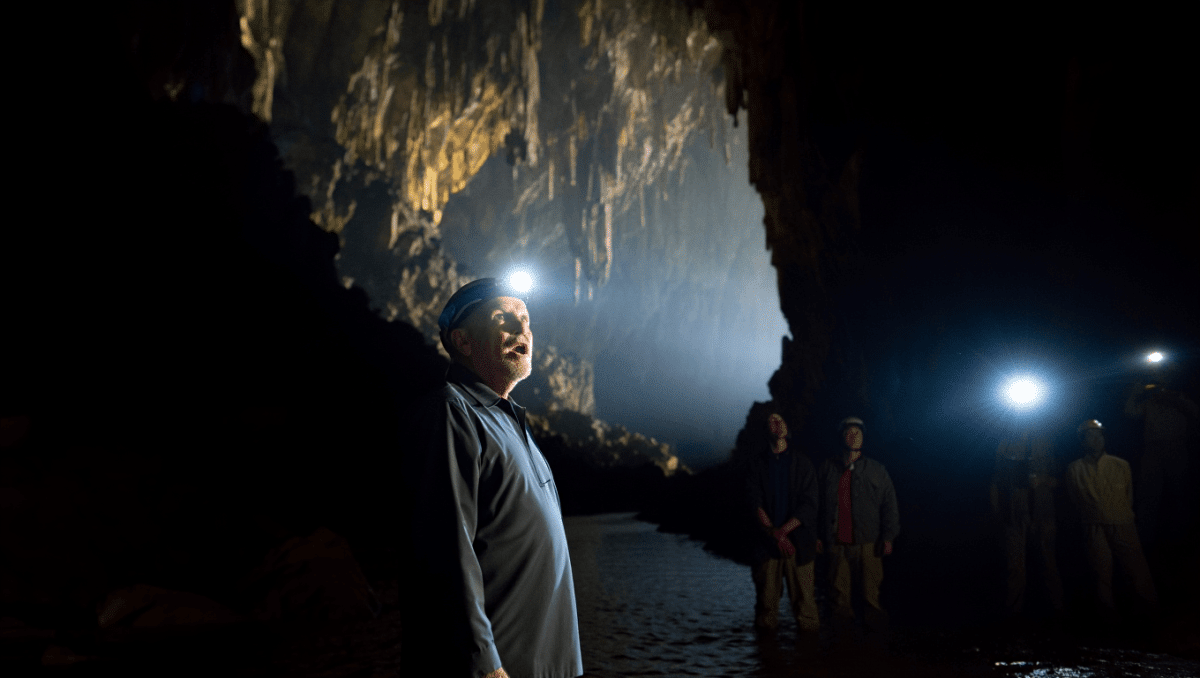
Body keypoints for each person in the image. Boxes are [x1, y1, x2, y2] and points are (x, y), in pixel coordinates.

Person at [401, 278, 583, 678]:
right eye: (504, 319)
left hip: (551, 665)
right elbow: (446, 546)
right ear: (462, 340)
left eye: (526, 320)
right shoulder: (452, 413)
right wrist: (482, 660)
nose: (523, 332)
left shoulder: (514, 423)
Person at [1065, 419, 1157, 625]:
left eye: (1098, 435)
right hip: (1093, 524)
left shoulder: (1120, 464)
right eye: (1090, 436)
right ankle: (1107, 620)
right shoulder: (1074, 468)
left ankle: (1148, 615)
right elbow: (1074, 500)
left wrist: (1123, 514)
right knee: (1101, 573)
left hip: (1122, 522)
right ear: (1082, 440)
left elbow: (1129, 495)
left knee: (1136, 569)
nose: (1096, 439)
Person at [818, 416, 899, 634]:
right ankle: (841, 644)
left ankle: (875, 646)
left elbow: (889, 504)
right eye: (850, 432)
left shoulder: (876, 469)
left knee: (870, 595)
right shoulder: (827, 468)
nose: (854, 437)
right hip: (836, 542)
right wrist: (819, 536)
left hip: (868, 543)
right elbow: (818, 504)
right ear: (841, 437)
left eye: (859, 433)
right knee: (837, 596)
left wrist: (888, 536)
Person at [745, 411, 820, 633]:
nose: (776, 424)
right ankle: (767, 663)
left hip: (800, 546)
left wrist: (784, 532)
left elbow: (810, 504)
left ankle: (810, 661)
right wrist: (774, 534)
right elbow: (754, 502)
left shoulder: (803, 464)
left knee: (806, 608)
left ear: (787, 428)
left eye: (780, 420)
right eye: (771, 421)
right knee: (766, 609)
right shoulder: (757, 465)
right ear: (766, 430)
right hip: (766, 547)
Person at [990, 430, 1064, 618]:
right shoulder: (1004, 444)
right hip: (1015, 513)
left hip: (1043, 512)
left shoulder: (1046, 442)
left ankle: (1058, 614)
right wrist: (998, 513)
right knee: (1015, 568)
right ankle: (1013, 615)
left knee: (1049, 564)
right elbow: (996, 480)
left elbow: (1060, 478)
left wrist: (1041, 480)